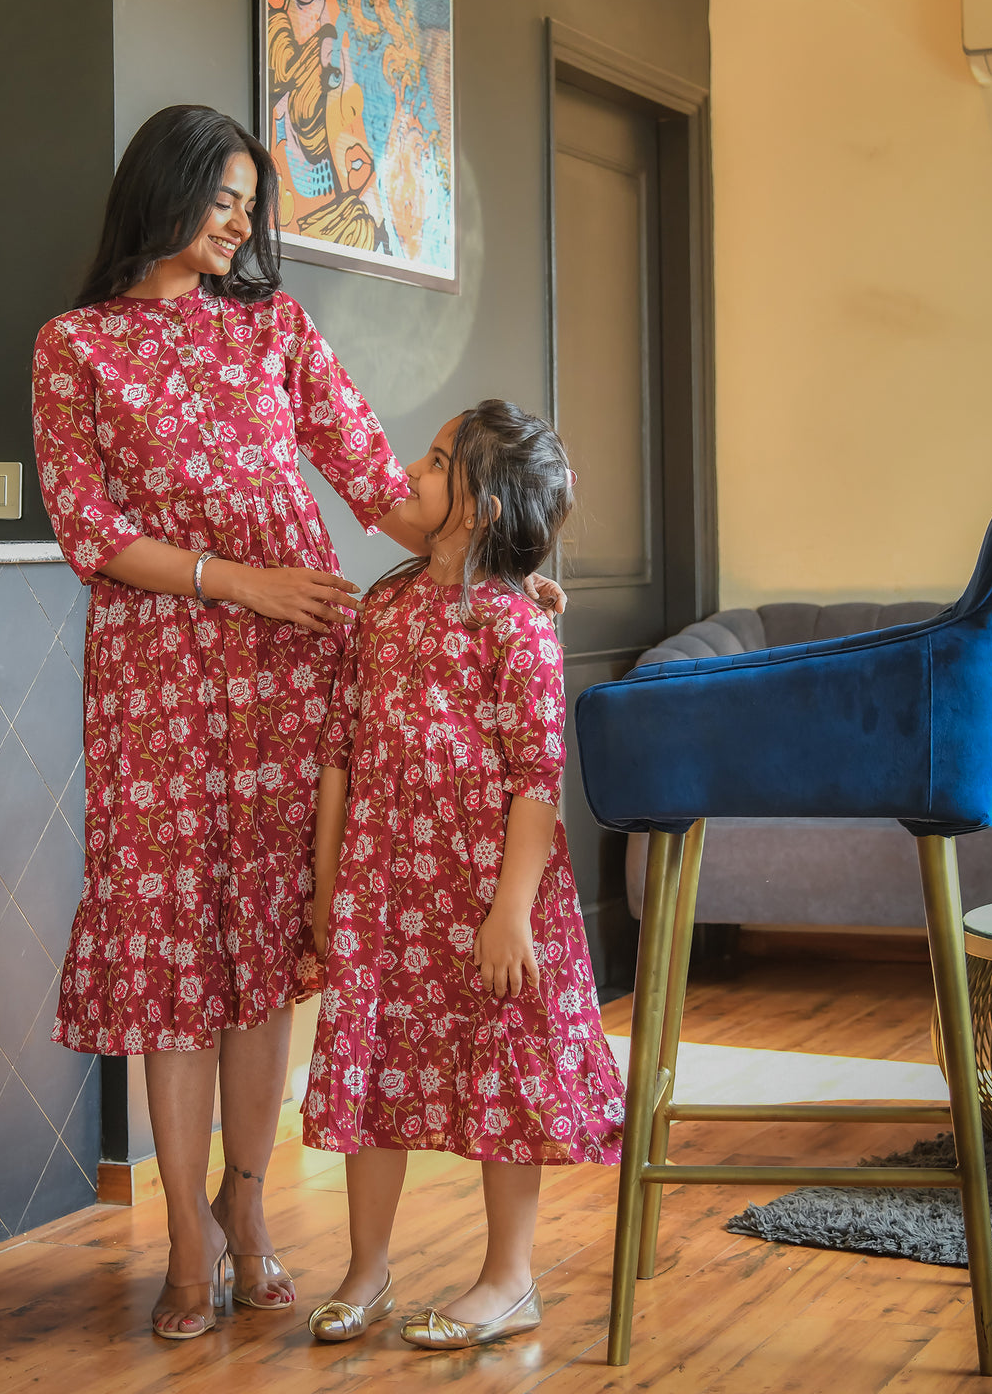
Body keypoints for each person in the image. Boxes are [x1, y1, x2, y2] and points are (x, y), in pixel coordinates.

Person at [33, 104, 567, 1342]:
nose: (238, 224)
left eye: (246, 204)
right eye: (220, 198)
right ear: (159, 195)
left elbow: (380, 477)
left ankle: (251, 1208)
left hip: (288, 681)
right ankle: (183, 1237)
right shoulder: (76, 347)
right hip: (156, 685)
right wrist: (243, 581)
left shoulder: (273, 326)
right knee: (170, 956)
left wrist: (491, 561)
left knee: (265, 956)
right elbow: (90, 533)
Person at [302, 400, 624, 1350]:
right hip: (383, 888)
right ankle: (367, 1271)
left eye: (438, 462)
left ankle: (509, 1278)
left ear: (482, 504)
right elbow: (339, 753)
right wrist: (330, 888)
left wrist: (510, 914)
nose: (412, 468)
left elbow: (537, 778)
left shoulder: (518, 626)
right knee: (375, 1072)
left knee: (502, 1070)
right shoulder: (385, 607)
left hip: (486, 894)